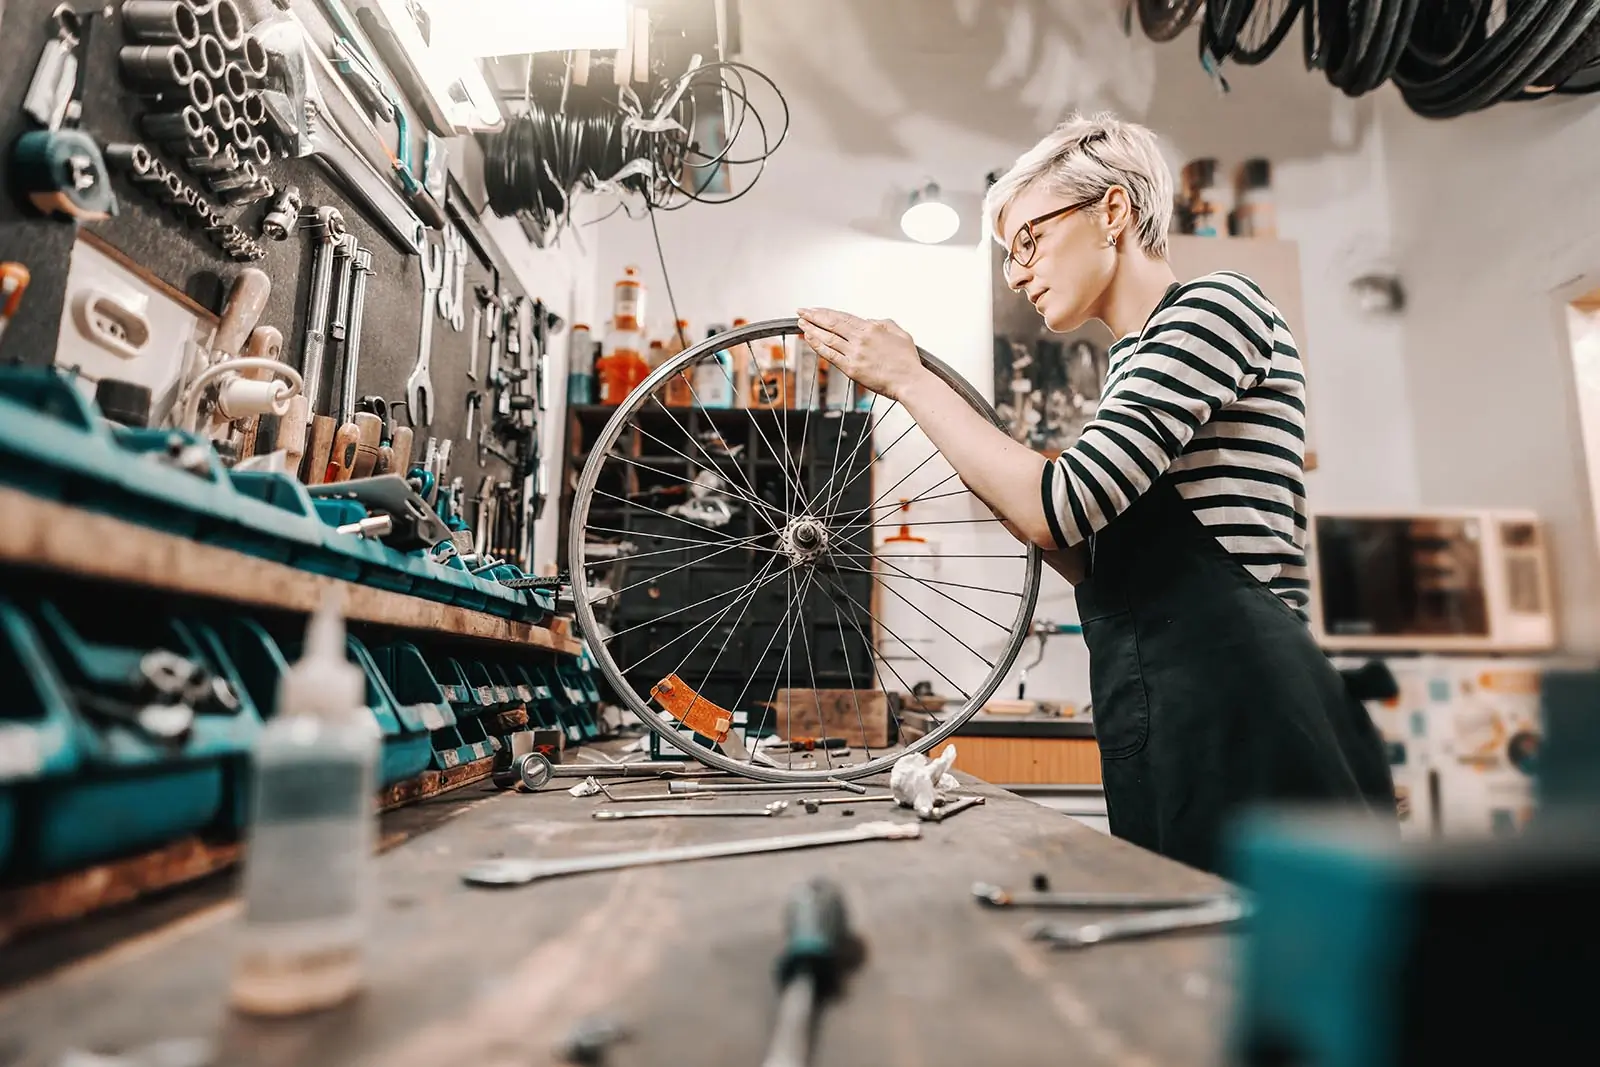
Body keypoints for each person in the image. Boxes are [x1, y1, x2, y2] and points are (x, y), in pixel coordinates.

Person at [798, 112, 1395, 875]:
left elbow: (1063, 505)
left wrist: (910, 379)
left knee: (1260, 974)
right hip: (1170, 711)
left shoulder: (1215, 308)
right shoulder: (1131, 362)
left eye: (1028, 241)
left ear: (1111, 212)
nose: (1015, 273)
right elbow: (1094, 557)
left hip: (1254, 714)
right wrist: (1002, 487)